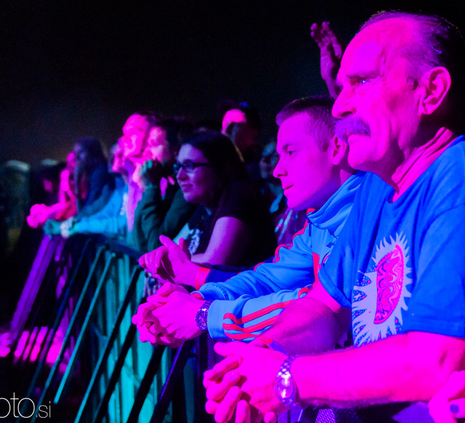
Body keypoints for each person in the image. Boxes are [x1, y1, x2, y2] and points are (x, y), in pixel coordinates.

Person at [203, 11, 465, 423]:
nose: (341, 104)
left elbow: (438, 359)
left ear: (430, 91)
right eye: (342, 86)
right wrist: (258, 363)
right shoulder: (376, 187)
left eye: (361, 82)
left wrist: (287, 380)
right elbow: (324, 307)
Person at [134, 96, 361, 347]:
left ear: (337, 148)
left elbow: (313, 304)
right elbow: (268, 280)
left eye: (291, 152)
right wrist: (196, 300)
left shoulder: (364, 215)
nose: (278, 170)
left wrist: (202, 314)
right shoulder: (318, 223)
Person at [168, 129, 275, 267]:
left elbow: (215, 263)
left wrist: (171, 264)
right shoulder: (203, 209)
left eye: (189, 166)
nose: (180, 176)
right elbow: (171, 250)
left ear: (222, 167)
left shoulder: (239, 195)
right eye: (178, 167)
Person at [132, 117, 197, 252]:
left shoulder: (186, 190)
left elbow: (155, 245)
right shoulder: (170, 186)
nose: (146, 152)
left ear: (176, 151)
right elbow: (137, 240)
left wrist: (151, 188)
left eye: (154, 144)